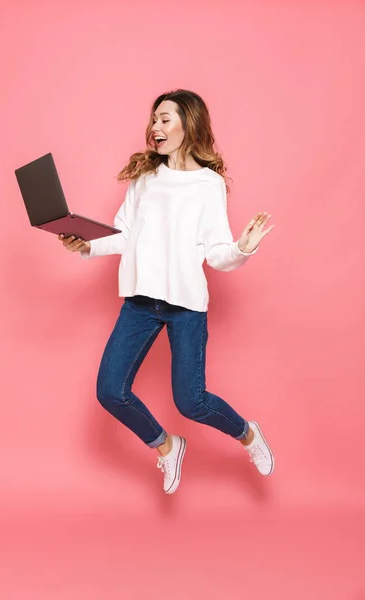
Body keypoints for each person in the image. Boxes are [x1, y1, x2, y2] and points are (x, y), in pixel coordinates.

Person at [59, 89, 275, 495]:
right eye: (154, 120)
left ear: (188, 124)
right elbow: (123, 234)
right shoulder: (144, 178)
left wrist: (243, 247)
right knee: (109, 391)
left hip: (185, 307)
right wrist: (87, 245)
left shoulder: (209, 185)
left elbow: (216, 253)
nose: (155, 128)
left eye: (164, 119)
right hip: (140, 302)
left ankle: (248, 434)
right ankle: (167, 445)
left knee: (190, 402)